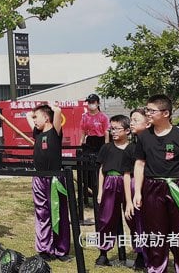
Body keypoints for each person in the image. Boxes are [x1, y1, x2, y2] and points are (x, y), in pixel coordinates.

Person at [131, 94, 179, 273]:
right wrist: (138, 192)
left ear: (165, 113)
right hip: (152, 188)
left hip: (177, 188)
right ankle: (156, 268)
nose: (148, 113)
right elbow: (140, 164)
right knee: (155, 232)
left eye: (152, 111)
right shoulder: (144, 137)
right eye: (147, 110)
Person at [27, 102, 71, 262]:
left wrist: (52, 107)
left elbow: (57, 111)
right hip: (39, 178)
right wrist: (36, 111)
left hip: (54, 179)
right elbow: (28, 115)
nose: (33, 120)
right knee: (42, 213)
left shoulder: (55, 131)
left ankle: (61, 250)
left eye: (36, 117)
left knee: (58, 213)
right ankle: (44, 249)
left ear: (46, 118)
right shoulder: (37, 133)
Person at [94, 114, 131, 267]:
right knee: (106, 219)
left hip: (130, 183)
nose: (113, 132)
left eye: (117, 129)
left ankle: (141, 253)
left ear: (127, 130)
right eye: (112, 129)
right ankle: (103, 253)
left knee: (134, 218)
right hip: (110, 182)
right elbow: (102, 170)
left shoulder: (134, 148)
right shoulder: (107, 148)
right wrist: (100, 191)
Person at [124, 107, 151, 271]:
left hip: (154, 187)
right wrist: (128, 200)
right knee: (137, 223)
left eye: (136, 120)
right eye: (131, 120)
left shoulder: (155, 143)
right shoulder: (130, 148)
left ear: (148, 123)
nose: (132, 123)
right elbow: (127, 174)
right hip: (136, 190)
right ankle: (141, 253)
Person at [81, 93, 110, 208]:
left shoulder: (103, 117)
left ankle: (101, 191)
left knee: (99, 166)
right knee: (87, 167)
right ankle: (89, 192)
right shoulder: (85, 116)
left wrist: (107, 147)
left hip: (100, 141)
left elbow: (106, 132)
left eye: (93, 102)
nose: (90, 104)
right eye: (89, 102)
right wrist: (81, 144)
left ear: (98, 103)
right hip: (89, 142)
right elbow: (83, 131)